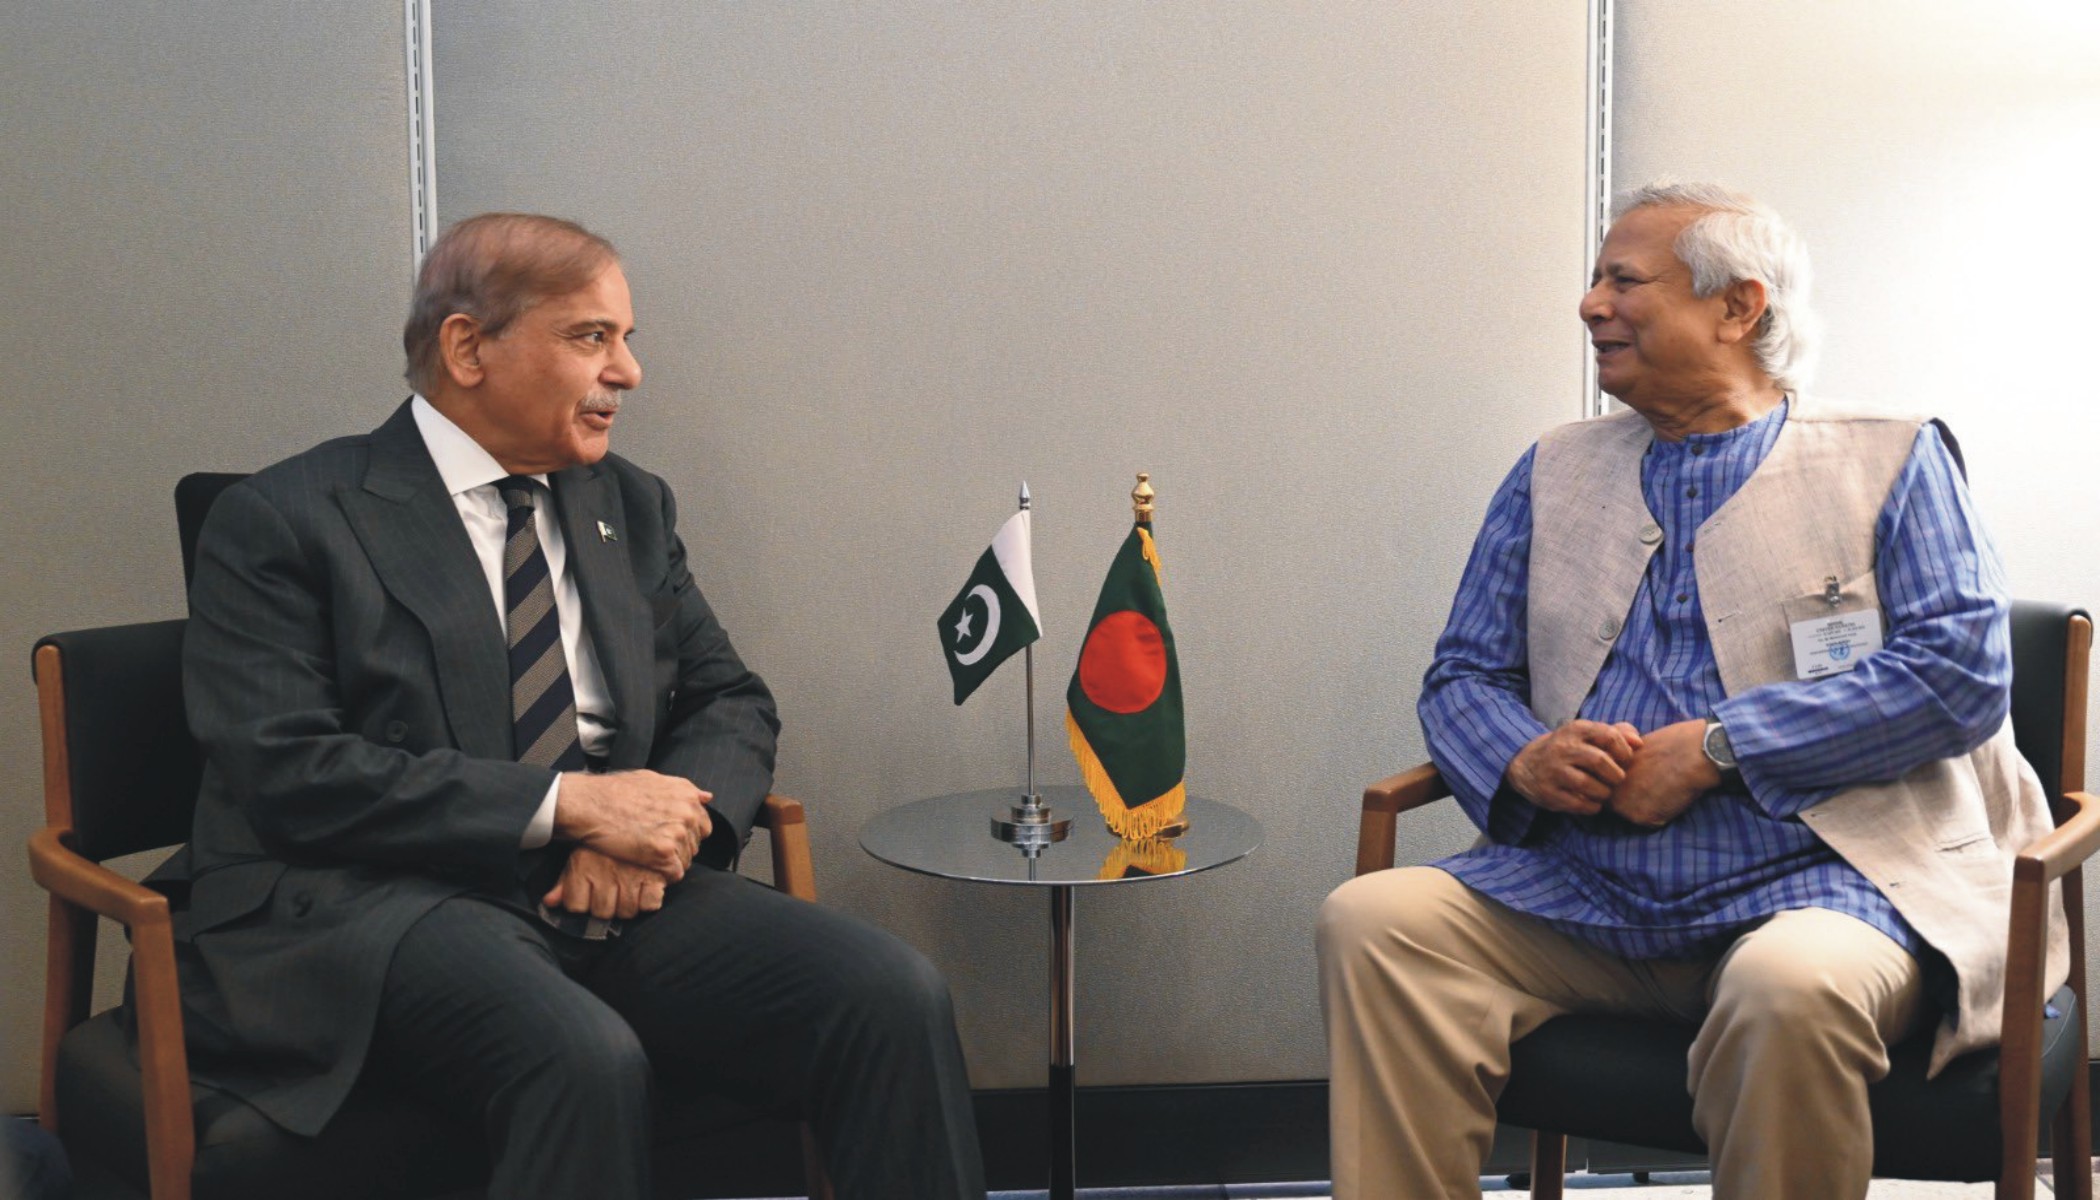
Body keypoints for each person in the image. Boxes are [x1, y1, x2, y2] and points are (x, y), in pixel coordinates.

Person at [159, 213, 986, 1199]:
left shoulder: (625, 505)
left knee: (889, 996)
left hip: (606, 890)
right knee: (578, 1056)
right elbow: (293, 774)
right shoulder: (287, 520)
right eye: (592, 337)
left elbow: (729, 698)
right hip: (375, 905)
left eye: (627, 340)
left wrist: (660, 824)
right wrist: (574, 808)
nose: (628, 372)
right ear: (468, 347)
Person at [1317, 181, 2065, 1199]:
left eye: (1625, 281)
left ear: (1738, 306)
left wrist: (1721, 746)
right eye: (1593, 279)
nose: (1591, 304)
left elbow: (1959, 674)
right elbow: (1464, 675)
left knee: (1786, 985)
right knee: (1373, 923)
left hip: (1833, 888)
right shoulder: (1552, 469)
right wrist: (1523, 758)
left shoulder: (1891, 456)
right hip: (1584, 894)